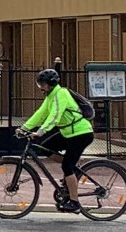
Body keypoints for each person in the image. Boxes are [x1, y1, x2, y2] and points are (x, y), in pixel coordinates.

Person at [16, 67, 94, 213]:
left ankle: (75, 203)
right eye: (39, 84)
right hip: (68, 134)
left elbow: (55, 116)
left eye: (43, 84)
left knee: (66, 166)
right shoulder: (50, 96)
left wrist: (40, 131)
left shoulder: (61, 93)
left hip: (81, 134)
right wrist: (24, 128)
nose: (41, 87)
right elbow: (40, 113)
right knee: (45, 148)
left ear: (51, 84)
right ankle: (73, 169)